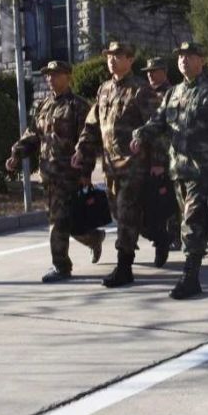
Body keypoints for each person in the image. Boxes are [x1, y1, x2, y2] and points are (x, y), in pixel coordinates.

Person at [132, 42, 208, 299]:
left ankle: (190, 278)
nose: (183, 60)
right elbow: (158, 122)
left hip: (205, 168)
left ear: (201, 60)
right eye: (180, 56)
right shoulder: (173, 93)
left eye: (189, 56)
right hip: (178, 168)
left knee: (190, 223)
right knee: (199, 222)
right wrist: (140, 134)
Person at [72, 41, 159, 288]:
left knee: (127, 212)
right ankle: (158, 234)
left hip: (134, 165)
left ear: (130, 60)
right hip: (110, 166)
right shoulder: (104, 90)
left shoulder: (141, 90)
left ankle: (124, 266)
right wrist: (82, 151)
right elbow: (91, 125)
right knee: (120, 215)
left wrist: (158, 162)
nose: (112, 59)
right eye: (110, 55)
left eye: (118, 55)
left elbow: (157, 127)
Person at [7, 61, 103, 282]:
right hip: (49, 174)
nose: (50, 78)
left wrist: (86, 173)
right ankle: (93, 237)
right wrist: (16, 154)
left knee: (60, 221)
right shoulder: (44, 105)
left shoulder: (78, 106)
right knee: (64, 221)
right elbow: (32, 135)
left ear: (68, 76)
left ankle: (61, 266)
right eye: (48, 75)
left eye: (55, 74)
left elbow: (88, 141)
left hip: (70, 175)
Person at [142, 56, 181, 252]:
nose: (149, 74)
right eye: (147, 72)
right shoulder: (143, 94)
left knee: (171, 196)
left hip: (169, 153)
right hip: (146, 155)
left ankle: (174, 234)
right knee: (155, 197)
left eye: (153, 71)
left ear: (164, 71)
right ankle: (159, 233)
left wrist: (159, 159)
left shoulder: (173, 93)